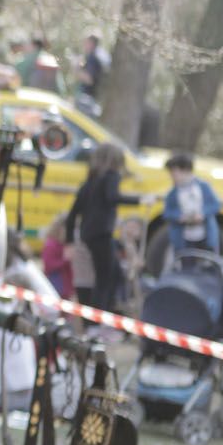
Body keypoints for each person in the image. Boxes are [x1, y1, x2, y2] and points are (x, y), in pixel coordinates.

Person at [64, 143, 137, 313]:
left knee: (112, 274)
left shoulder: (88, 184)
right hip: (102, 235)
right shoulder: (111, 177)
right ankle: (100, 318)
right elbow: (113, 197)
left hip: (88, 235)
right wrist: (140, 200)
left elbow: (72, 214)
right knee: (106, 278)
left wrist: (69, 242)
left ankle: (103, 314)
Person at [163, 152, 221, 255]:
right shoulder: (172, 193)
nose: (172, 176)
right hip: (183, 238)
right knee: (186, 265)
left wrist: (202, 213)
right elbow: (167, 212)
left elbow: (216, 205)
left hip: (205, 236)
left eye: (174, 172)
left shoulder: (203, 187)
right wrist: (179, 217)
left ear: (185, 170)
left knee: (207, 263)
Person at [41, 213, 73, 298]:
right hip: (56, 286)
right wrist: (65, 260)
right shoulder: (51, 244)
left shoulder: (64, 244)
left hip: (66, 289)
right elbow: (49, 265)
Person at [76, 33, 108, 113]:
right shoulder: (93, 57)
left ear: (91, 43)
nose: (84, 44)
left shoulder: (93, 58)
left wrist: (76, 68)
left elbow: (89, 79)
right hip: (89, 100)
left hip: (87, 100)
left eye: (86, 42)